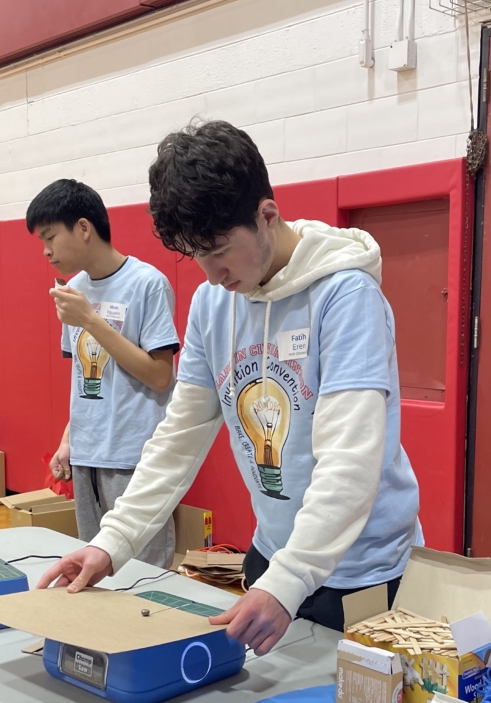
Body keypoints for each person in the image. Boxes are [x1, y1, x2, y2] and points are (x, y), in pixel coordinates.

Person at [38, 121, 422, 655]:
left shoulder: (345, 296)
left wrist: (289, 581)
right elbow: (178, 437)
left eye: (219, 249)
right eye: (196, 254)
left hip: (361, 571)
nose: (212, 273)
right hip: (273, 559)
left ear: (267, 216)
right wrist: (113, 541)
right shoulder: (212, 303)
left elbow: (350, 461)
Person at [26, 180, 181, 568]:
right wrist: (68, 440)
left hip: (133, 456)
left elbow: (160, 376)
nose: (45, 251)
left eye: (50, 237)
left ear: (83, 228)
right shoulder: (74, 289)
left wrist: (91, 320)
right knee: (94, 569)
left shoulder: (147, 284)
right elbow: (86, 379)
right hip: (86, 457)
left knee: (143, 573)